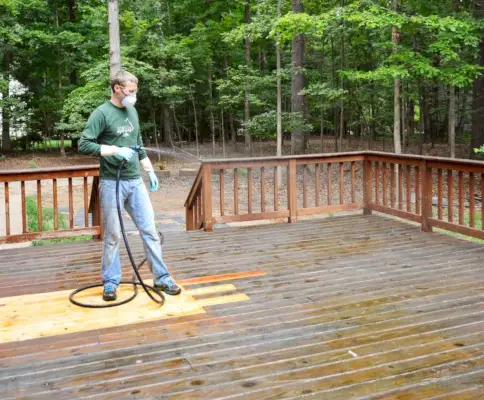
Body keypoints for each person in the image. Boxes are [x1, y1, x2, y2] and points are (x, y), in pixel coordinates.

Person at [79, 70, 181, 301]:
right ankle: (111, 282)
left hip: (135, 182)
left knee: (150, 231)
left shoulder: (132, 111)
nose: (134, 96)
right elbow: (84, 144)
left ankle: (162, 278)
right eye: (131, 91)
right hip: (111, 182)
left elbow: (138, 143)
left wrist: (150, 170)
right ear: (117, 88)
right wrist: (114, 150)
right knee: (113, 235)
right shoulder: (101, 113)